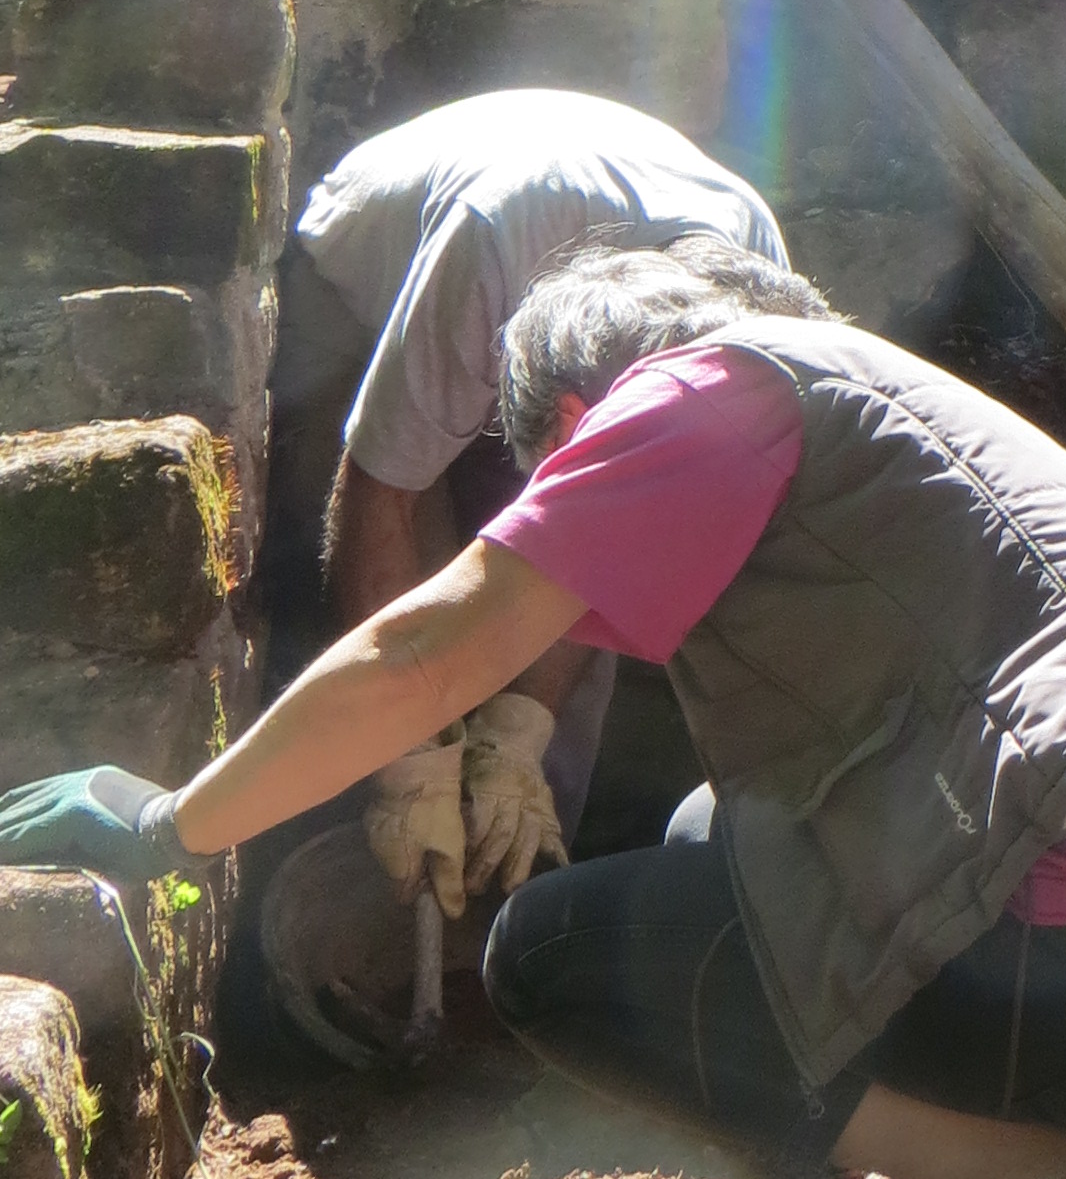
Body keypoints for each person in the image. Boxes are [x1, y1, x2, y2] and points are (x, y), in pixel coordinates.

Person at [0, 243, 1066, 1179]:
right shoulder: (858, 394)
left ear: (577, 423)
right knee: (707, 835)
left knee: (557, 959)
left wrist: (175, 820)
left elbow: (424, 649)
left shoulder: (691, 398)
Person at [283, 91, 788, 900]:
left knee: (543, 693)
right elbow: (382, 492)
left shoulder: (753, 301)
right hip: (363, 286)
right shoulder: (491, 246)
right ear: (567, 407)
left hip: (557, 297)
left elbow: (608, 543)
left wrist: (518, 736)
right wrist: (407, 761)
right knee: (390, 612)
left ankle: (514, 890)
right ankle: (358, 852)